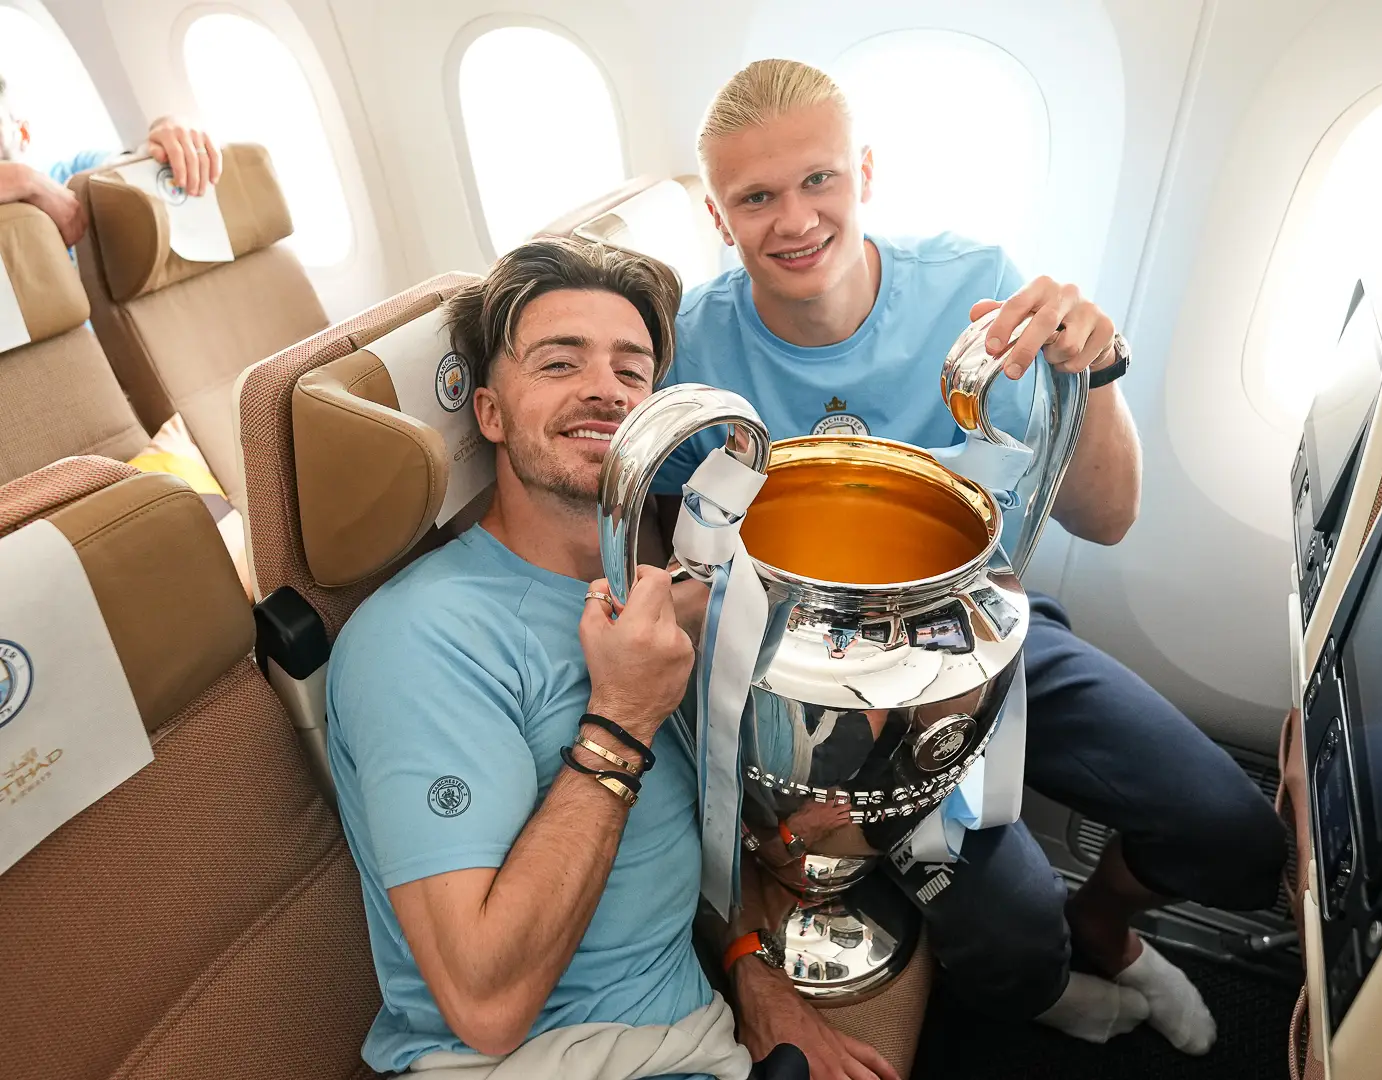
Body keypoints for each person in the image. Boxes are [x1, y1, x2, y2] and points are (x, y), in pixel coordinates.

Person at [653, 59, 1290, 1059]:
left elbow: (1109, 518)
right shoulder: (690, 346)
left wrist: (1097, 376)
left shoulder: (975, 291)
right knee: (1007, 943)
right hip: (819, 698)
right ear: (717, 215)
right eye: (757, 197)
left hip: (979, 637)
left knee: (1237, 837)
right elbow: (675, 560)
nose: (796, 218)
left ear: (864, 170)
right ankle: (1048, 974)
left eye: (819, 179)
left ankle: (1107, 926)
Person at [326, 236, 895, 1080]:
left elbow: (653, 859)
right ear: (489, 414)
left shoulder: (660, 594)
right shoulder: (424, 638)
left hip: (689, 1030)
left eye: (634, 373)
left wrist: (751, 970)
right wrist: (624, 714)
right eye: (559, 363)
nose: (605, 389)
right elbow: (485, 1006)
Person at [0, 72, 222, 247]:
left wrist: (170, 133)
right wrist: (21, 178)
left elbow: (134, 165)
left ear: (23, 134)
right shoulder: (25, 179)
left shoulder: (76, 174)